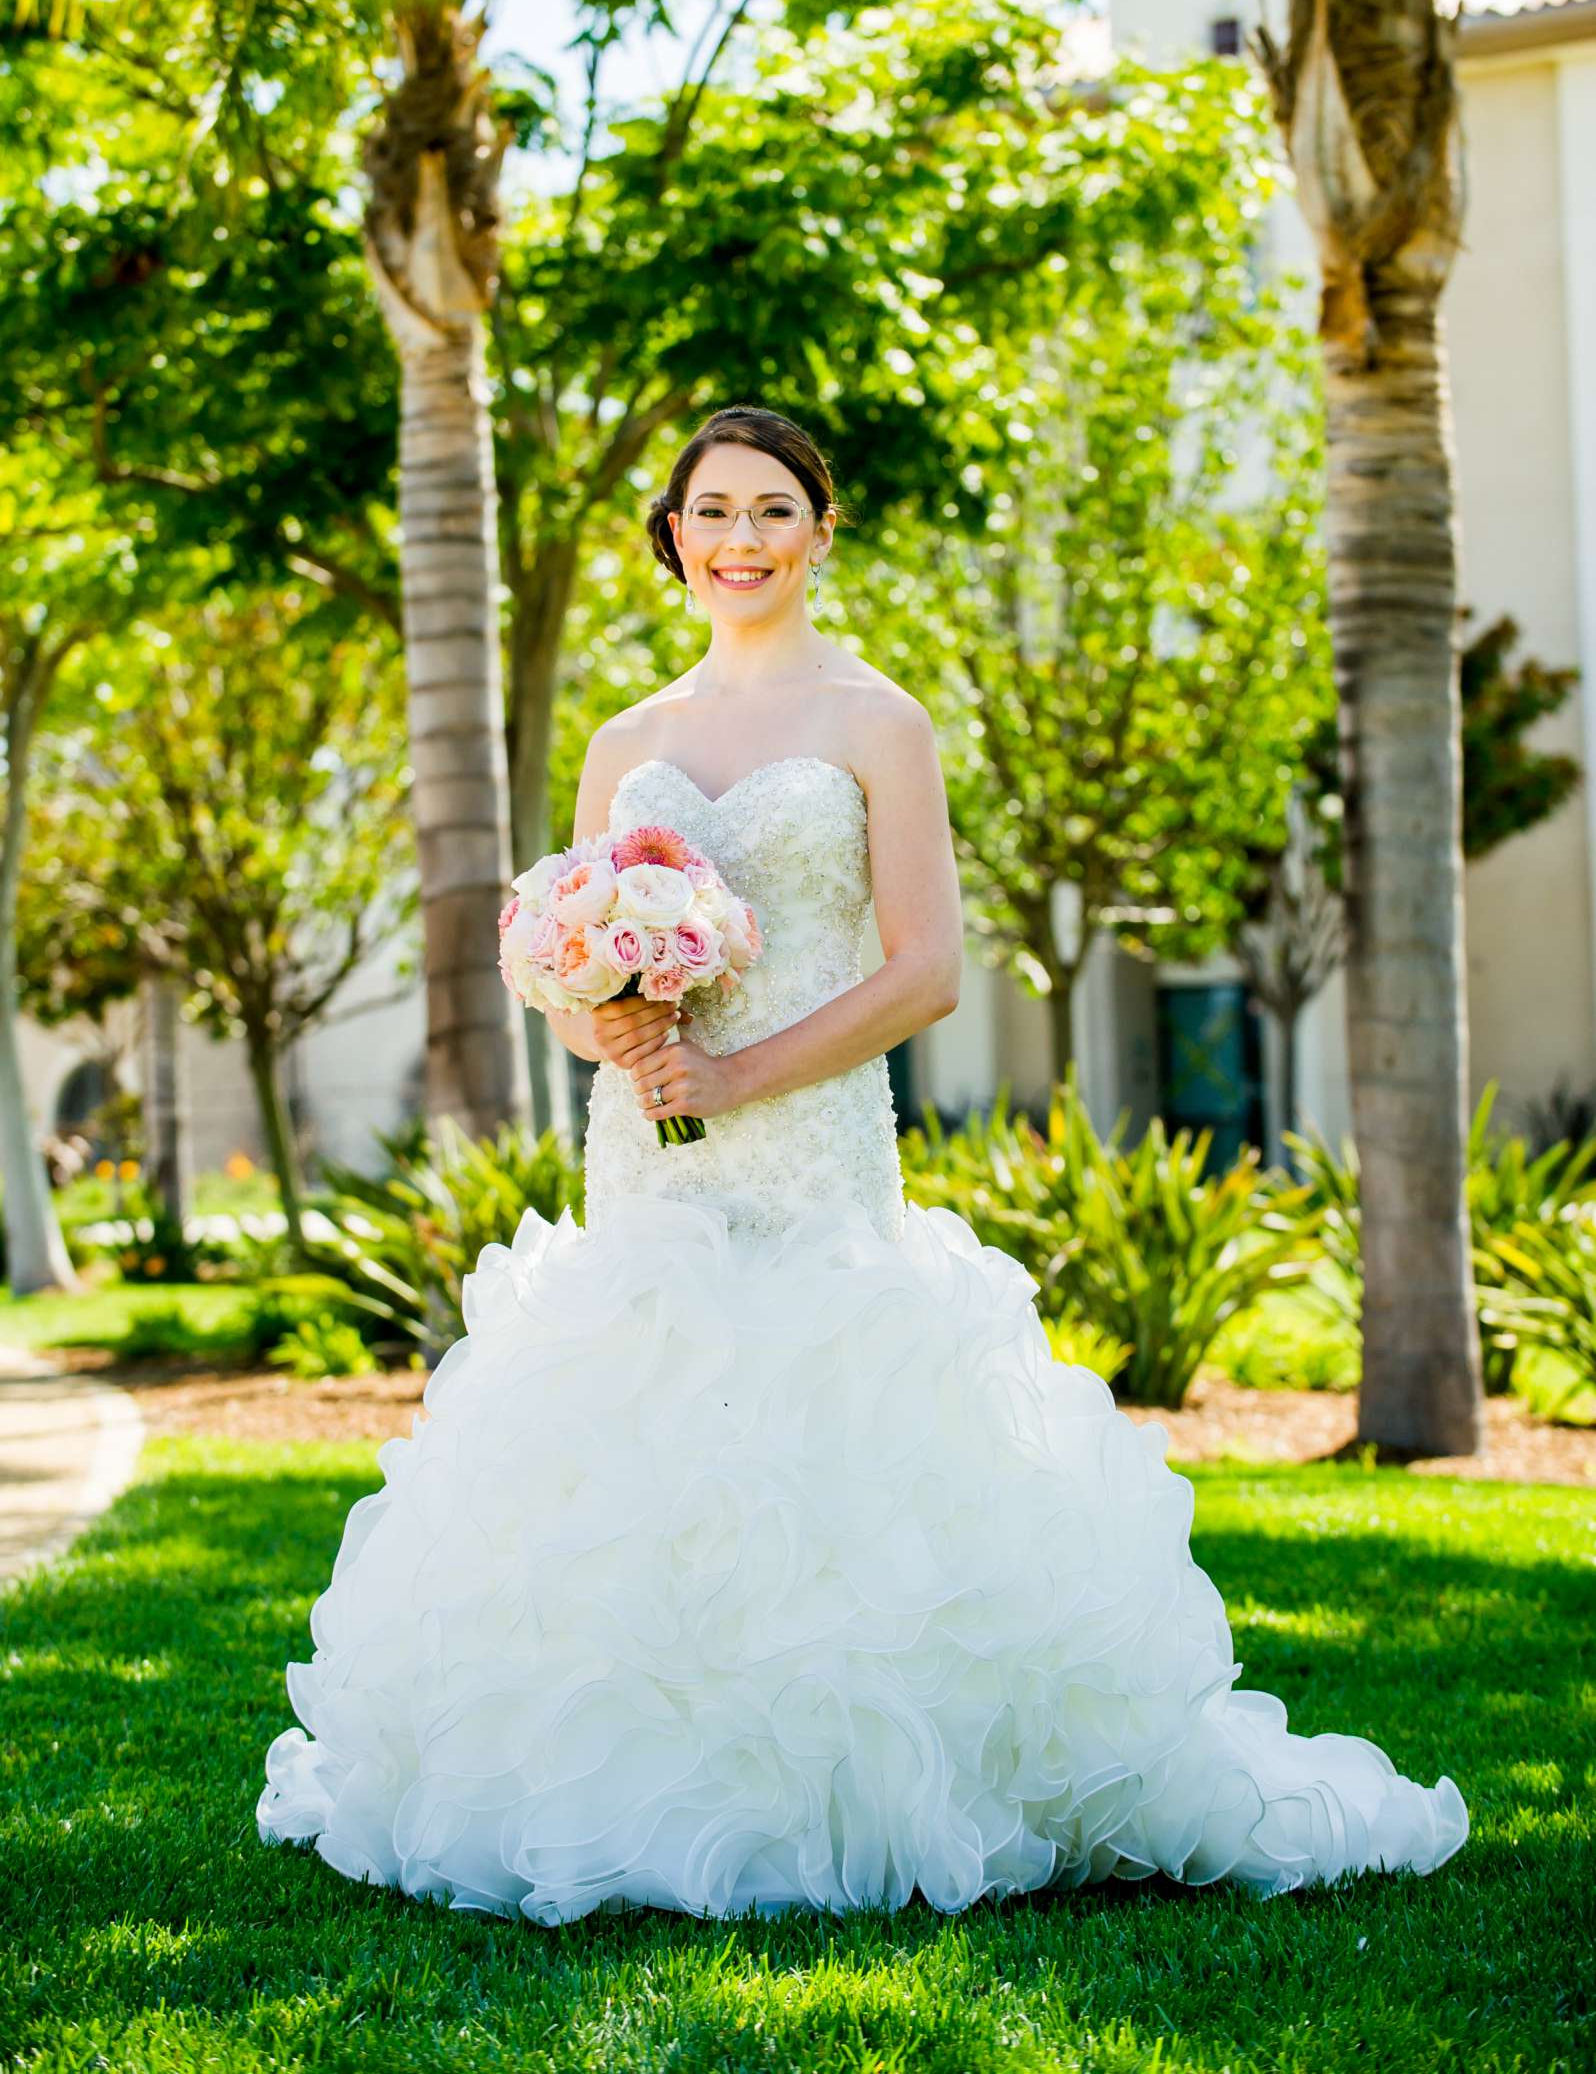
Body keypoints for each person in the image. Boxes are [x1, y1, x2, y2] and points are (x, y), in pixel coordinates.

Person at [256, 401, 1468, 1923]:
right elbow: (568, 973)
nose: (740, 539)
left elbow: (928, 972)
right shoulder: (626, 744)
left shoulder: (877, 722)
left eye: (773, 510)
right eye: (712, 512)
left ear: (821, 532)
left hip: (813, 1159)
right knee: (647, 1454)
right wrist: (613, 1028)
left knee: (817, 1447)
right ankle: (630, 1789)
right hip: (648, 1162)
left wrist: (743, 1070)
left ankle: (854, 1795)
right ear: (672, 538)